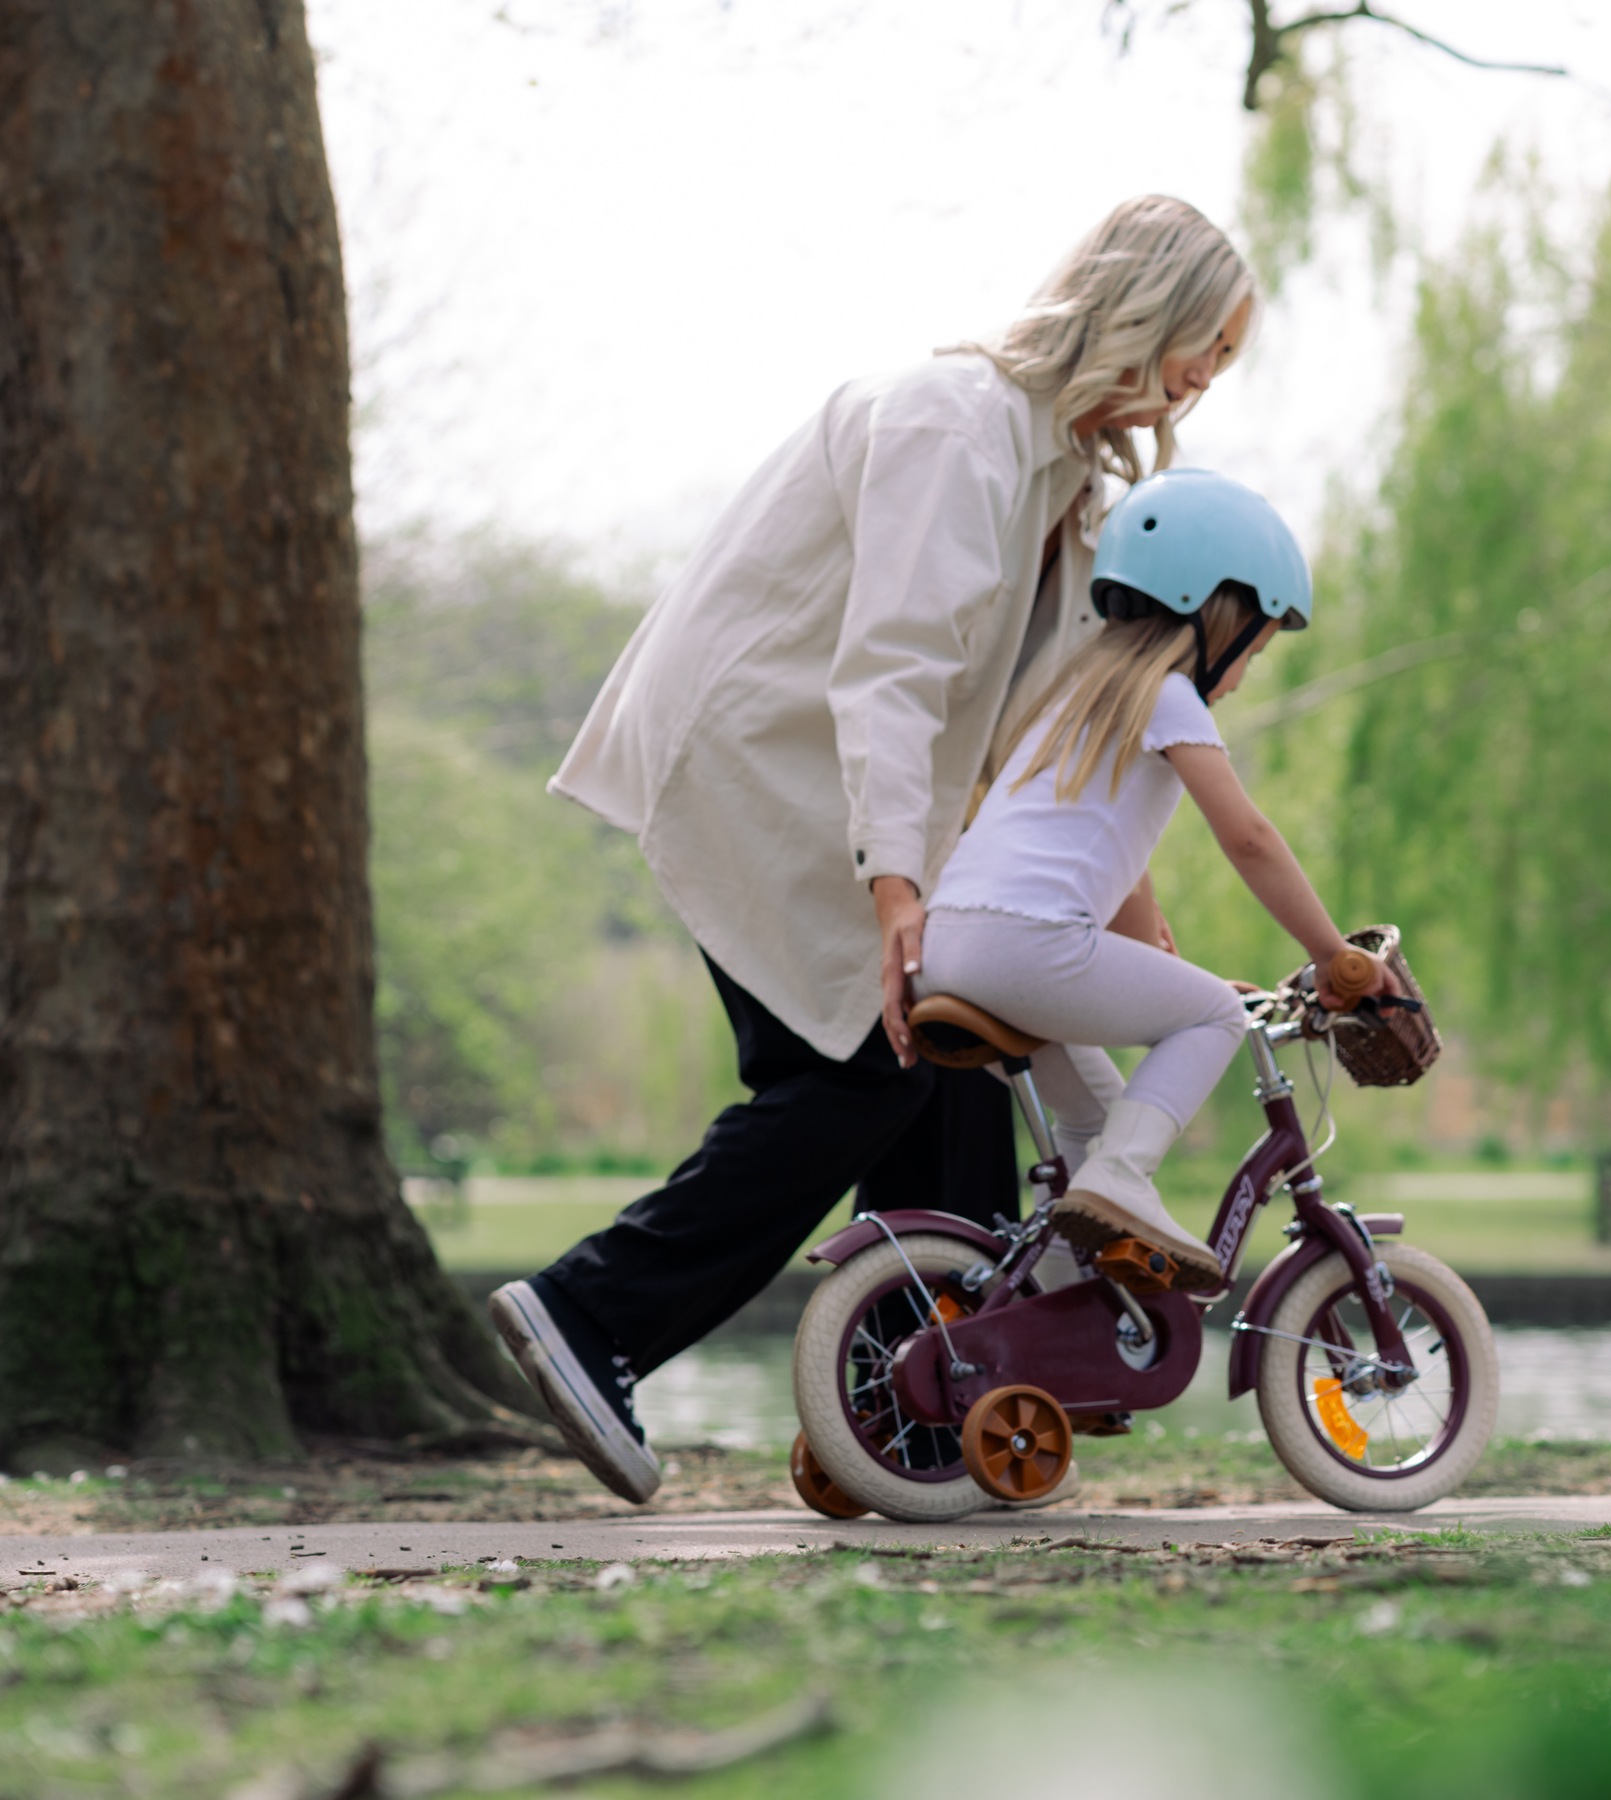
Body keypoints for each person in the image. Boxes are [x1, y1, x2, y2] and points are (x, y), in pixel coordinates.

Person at [488, 197, 1256, 1504]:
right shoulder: (953, 427)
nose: (1205, 380)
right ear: (1147, 308)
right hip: (764, 765)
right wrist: (899, 886)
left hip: (843, 782)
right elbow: (892, 671)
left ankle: (918, 1410)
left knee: (961, 1046)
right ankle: (593, 1314)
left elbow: (1045, 733)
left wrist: (1133, 909)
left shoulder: (1066, 485)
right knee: (868, 1068)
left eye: (1228, 363)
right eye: (1208, 345)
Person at [918, 468, 1404, 1293]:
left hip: (953, 942)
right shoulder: (1173, 699)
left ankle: (1063, 1324)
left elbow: (1127, 880)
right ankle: (1119, 1183)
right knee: (1211, 1020)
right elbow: (1248, 838)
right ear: (1220, 613)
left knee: (1097, 1120)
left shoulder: (1072, 700)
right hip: (1027, 946)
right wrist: (1332, 954)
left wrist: (1171, 977)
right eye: (1256, 644)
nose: (1248, 669)